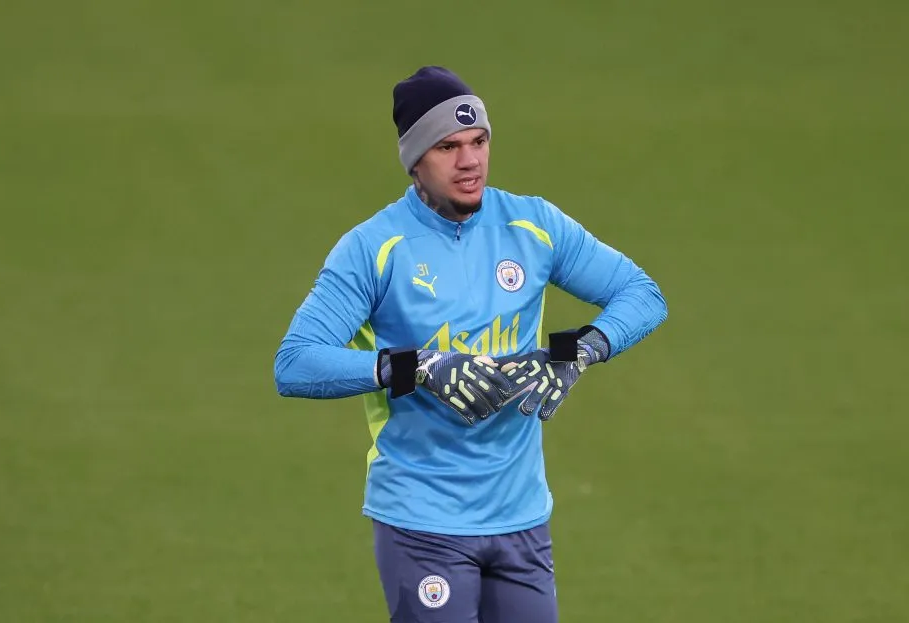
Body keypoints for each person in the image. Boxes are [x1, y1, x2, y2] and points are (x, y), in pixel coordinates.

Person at [274, 66, 668, 623]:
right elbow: (294, 363)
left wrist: (581, 350)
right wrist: (418, 366)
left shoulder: (532, 226)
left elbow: (641, 294)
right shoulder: (374, 249)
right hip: (422, 520)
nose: (470, 161)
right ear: (415, 161)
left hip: (521, 518)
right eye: (448, 146)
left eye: (479, 141)